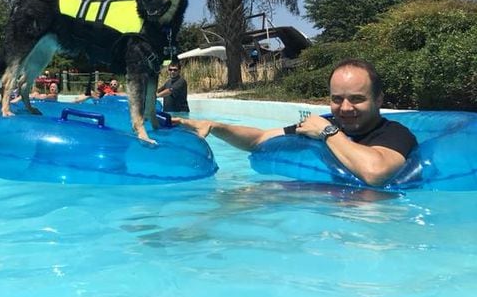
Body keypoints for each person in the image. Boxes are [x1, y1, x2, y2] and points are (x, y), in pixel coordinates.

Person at [173, 59, 418, 187]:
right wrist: (215, 126)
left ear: (378, 99)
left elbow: (375, 173)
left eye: (357, 99)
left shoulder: (394, 133)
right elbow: (260, 139)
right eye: (337, 99)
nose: (345, 108)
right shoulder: (321, 124)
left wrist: (327, 131)